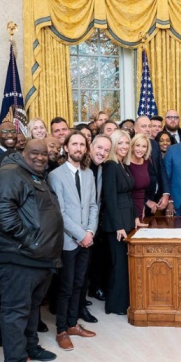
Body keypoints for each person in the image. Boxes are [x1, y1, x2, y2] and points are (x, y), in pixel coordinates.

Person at [0, 139, 63, 362]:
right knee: (15, 312)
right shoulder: (11, 174)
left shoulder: (36, 175)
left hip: (38, 258)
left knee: (32, 308)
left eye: (44, 154)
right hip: (18, 257)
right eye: (35, 153)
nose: (41, 157)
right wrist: (31, 240)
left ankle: (31, 348)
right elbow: (3, 213)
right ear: (23, 152)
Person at [48, 131, 99, 351]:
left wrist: (90, 232)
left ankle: (72, 324)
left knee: (79, 284)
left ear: (85, 149)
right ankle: (61, 330)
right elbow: (59, 212)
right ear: (66, 148)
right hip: (69, 241)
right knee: (66, 287)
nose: (78, 148)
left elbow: (93, 206)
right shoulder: (56, 175)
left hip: (87, 239)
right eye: (74, 144)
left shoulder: (88, 174)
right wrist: (80, 235)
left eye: (82, 144)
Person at [102, 130, 136, 315]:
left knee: (123, 264)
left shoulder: (123, 165)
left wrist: (136, 217)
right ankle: (115, 306)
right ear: (114, 145)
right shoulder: (110, 166)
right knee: (119, 265)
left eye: (126, 143)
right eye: (120, 143)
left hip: (127, 221)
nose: (124, 147)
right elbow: (110, 199)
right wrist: (119, 226)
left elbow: (128, 195)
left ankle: (123, 302)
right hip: (116, 225)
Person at [80, 134, 112, 312]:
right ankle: (79, 306)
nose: (102, 153)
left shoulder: (101, 167)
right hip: (80, 226)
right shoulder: (83, 167)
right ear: (90, 146)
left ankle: (84, 300)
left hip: (94, 222)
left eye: (107, 150)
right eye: (99, 148)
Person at [127, 133, 159, 220]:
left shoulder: (146, 162)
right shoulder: (126, 163)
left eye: (144, 146)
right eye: (138, 145)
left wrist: (145, 203)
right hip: (128, 207)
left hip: (142, 206)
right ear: (132, 146)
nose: (140, 149)